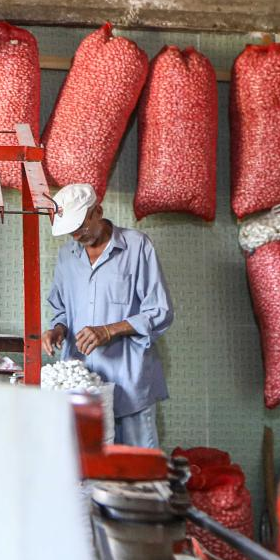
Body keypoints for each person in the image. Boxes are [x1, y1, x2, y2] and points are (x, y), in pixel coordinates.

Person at [42, 183, 174, 448]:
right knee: (85, 465)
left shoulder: (137, 246)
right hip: (83, 384)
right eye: (71, 231)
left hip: (129, 382)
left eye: (81, 227)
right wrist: (58, 329)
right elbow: (62, 310)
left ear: (98, 212)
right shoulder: (67, 256)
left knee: (136, 467)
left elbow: (160, 312)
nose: (76, 236)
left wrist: (108, 330)